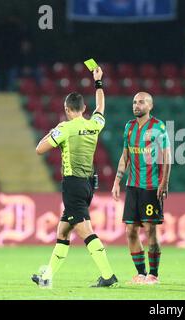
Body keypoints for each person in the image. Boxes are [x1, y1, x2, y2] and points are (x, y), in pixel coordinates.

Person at [31, 67, 118, 288]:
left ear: (67, 109)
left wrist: (52, 133)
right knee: (63, 231)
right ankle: (47, 277)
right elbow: (101, 107)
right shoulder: (94, 125)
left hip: (72, 184)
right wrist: (98, 82)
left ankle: (108, 275)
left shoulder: (65, 128)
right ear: (83, 108)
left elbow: (40, 149)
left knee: (85, 230)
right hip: (89, 184)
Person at [111, 92, 171, 285]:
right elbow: (125, 156)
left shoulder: (158, 127)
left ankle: (154, 274)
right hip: (132, 187)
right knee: (130, 230)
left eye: (141, 102)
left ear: (150, 106)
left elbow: (167, 157)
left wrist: (164, 182)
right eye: (134, 102)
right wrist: (117, 181)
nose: (136, 105)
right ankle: (141, 273)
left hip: (151, 187)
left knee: (151, 230)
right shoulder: (129, 127)